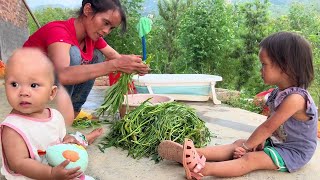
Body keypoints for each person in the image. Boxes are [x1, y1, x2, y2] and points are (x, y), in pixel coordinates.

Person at [157, 32, 318, 179]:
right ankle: (194, 154)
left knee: (250, 158)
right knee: (238, 144)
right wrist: (257, 142)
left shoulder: (296, 99)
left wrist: (249, 147)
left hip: (293, 152)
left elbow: (268, 126)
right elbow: (273, 124)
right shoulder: (279, 93)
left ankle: (203, 168)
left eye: (264, 64)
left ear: (285, 66)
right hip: (278, 143)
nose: (260, 70)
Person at [23, 0, 149, 142]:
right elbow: (63, 74)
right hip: (25, 90)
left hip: (46, 89)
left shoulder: (91, 37)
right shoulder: (58, 31)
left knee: (97, 57)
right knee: (75, 55)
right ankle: (50, 120)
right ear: (88, 10)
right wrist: (114, 65)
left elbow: (115, 57)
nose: (106, 31)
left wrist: (134, 66)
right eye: (105, 23)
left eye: (111, 28)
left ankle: (69, 117)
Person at [1, 48, 96, 180]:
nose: (23, 92)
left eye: (33, 85)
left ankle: (88, 137)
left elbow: (60, 138)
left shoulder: (55, 116)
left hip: (55, 169)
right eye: (14, 84)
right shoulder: (13, 127)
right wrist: (50, 174)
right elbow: (18, 163)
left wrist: (66, 140)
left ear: (51, 93)